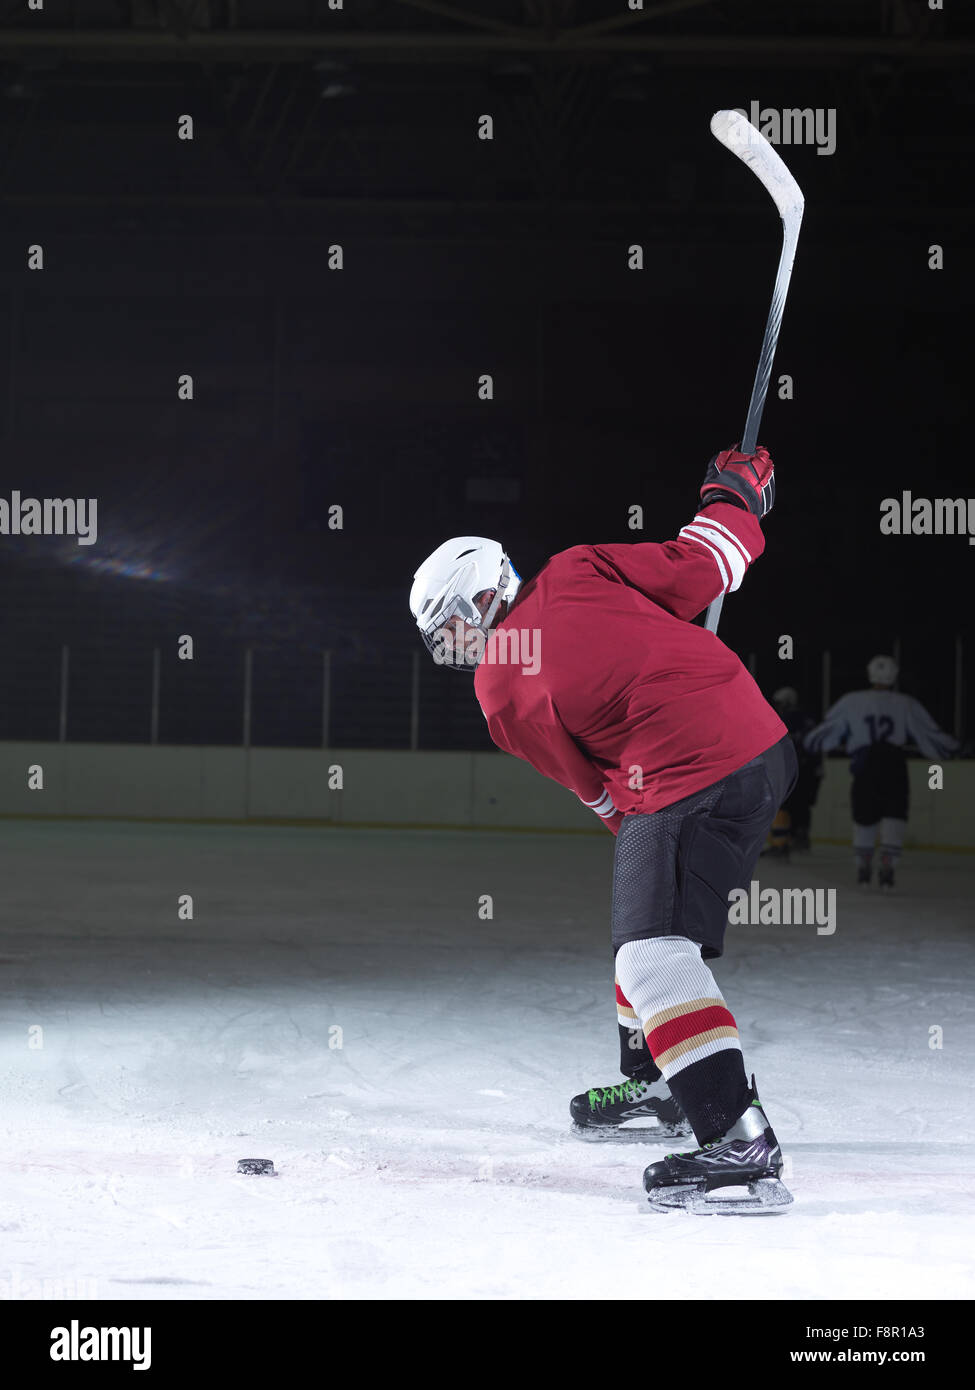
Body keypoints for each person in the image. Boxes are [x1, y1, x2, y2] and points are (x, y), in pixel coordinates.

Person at [409, 444, 798, 1213]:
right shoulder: (577, 567)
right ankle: (659, 1089)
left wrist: (635, 823)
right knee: (647, 938)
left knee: (650, 955)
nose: (450, 645)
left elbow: (596, 794)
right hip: (763, 748)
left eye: (449, 625)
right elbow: (711, 560)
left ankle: (737, 1142)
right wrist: (734, 491)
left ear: (484, 596)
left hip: (685, 773)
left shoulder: (497, 691)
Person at [804, 656, 958, 890]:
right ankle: (888, 865)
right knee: (895, 814)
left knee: (864, 816)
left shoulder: (851, 701)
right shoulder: (905, 703)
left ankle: (863, 864)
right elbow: (930, 735)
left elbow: (824, 735)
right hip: (894, 763)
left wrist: (811, 744)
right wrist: (953, 748)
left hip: (865, 763)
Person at [761, 686, 823, 856]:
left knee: (782, 804)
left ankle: (780, 843)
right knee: (802, 805)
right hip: (809, 768)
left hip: (789, 768)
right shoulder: (808, 719)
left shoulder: (784, 718)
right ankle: (800, 838)